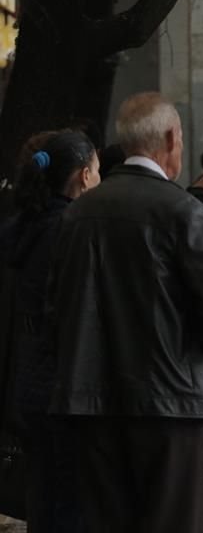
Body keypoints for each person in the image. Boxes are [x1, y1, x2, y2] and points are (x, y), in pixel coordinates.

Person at [47, 91, 203, 533]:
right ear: (172, 139)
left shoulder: (78, 216)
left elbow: (55, 306)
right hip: (171, 407)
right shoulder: (183, 211)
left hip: (91, 404)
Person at [0, 130, 100, 533]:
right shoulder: (72, 229)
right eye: (96, 170)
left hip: (27, 379)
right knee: (72, 500)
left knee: (42, 494)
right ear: (82, 176)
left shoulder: (21, 227)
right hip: (66, 383)